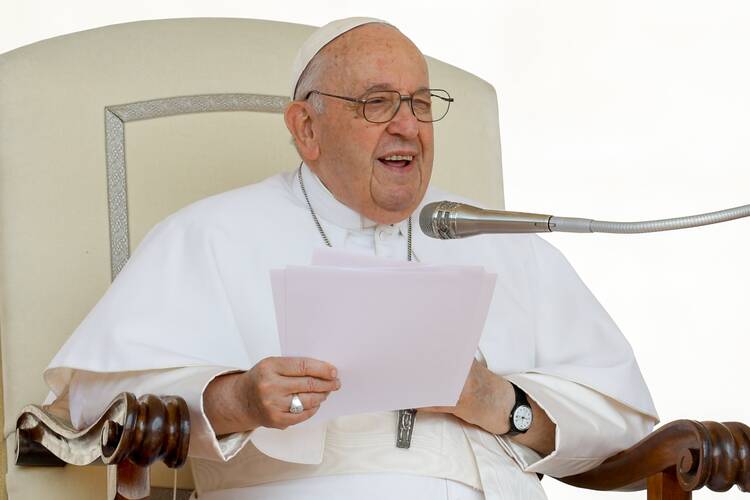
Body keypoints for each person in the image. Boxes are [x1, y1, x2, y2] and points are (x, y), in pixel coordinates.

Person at [44, 17, 658, 500]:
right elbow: (94, 406)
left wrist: (501, 403)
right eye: (377, 103)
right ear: (306, 129)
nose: (408, 126)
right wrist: (239, 400)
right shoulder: (208, 235)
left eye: (421, 104)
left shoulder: (499, 240)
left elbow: (626, 432)